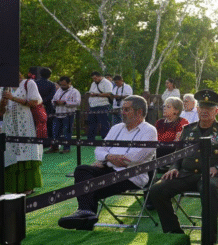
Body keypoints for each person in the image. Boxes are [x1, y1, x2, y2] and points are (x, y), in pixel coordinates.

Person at [148, 90, 218, 245]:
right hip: (186, 174)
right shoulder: (187, 130)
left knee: (209, 189)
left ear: (216, 111)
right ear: (197, 109)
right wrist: (174, 168)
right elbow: (177, 156)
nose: (205, 111)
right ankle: (175, 235)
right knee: (157, 189)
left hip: (210, 176)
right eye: (202, 107)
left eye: (209, 108)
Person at [58, 95, 157, 229]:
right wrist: (109, 158)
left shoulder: (149, 131)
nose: (122, 112)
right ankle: (86, 214)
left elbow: (134, 158)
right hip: (109, 169)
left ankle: (84, 221)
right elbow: (99, 150)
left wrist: (106, 159)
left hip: (131, 175)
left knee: (90, 188)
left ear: (139, 112)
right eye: (122, 109)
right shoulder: (116, 128)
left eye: (127, 109)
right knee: (82, 170)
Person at [0, 71, 44, 194]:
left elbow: (35, 102)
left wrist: (13, 98)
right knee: (11, 155)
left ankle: (28, 187)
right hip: (9, 126)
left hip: (26, 125)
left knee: (27, 152)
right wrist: (2, 103)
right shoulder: (3, 88)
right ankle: (15, 188)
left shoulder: (28, 83)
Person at [49, 76, 81, 154]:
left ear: (69, 83)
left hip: (68, 114)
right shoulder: (59, 90)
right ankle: (55, 147)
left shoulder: (75, 91)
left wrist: (65, 103)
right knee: (55, 131)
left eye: (64, 85)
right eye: (61, 85)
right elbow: (53, 99)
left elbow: (77, 103)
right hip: (58, 113)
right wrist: (55, 102)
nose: (62, 86)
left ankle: (66, 148)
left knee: (67, 131)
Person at [155, 96, 189, 165]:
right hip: (156, 154)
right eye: (164, 106)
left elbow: (177, 143)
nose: (164, 108)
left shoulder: (182, 122)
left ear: (176, 111)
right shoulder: (159, 122)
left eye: (168, 107)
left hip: (172, 156)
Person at [87, 71, 113, 141]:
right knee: (92, 123)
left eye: (95, 78)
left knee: (104, 123)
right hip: (93, 105)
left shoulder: (107, 83)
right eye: (93, 79)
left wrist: (96, 94)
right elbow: (91, 92)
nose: (94, 80)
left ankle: (105, 139)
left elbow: (109, 94)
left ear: (99, 76)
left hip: (103, 105)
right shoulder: (93, 83)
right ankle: (90, 139)